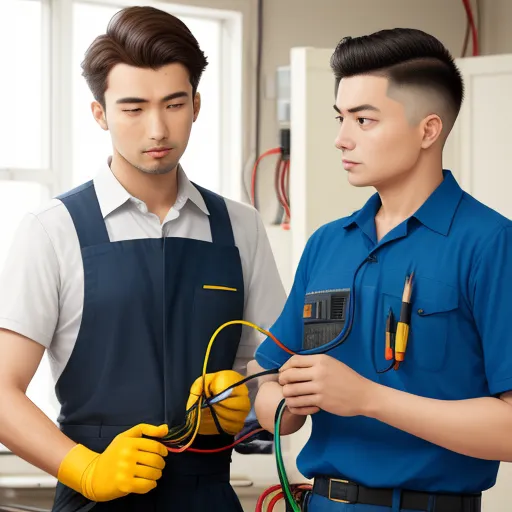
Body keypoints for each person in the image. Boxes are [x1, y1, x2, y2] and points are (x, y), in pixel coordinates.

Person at [0, 6, 285, 511]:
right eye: (133, 108)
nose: (157, 129)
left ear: (196, 105)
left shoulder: (240, 227)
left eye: (173, 104)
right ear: (100, 113)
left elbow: (274, 375)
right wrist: (85, 469)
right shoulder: (52, 230)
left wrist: (245, 403)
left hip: (210, 497)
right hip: (97, 500)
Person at [253, 28, 512, 512]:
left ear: (428, 130)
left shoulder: (491, 244)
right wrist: (283, 407)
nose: (340, 138)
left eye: (363, 120)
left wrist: (367, 398)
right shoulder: (327, 244)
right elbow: (268, 382)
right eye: (340, 118)